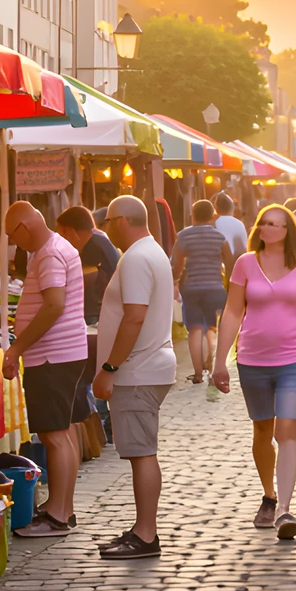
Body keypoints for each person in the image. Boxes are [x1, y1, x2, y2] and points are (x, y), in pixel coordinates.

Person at [211, 204, 296, 540]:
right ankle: (269, 494)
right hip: (252, 359)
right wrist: (219, 361)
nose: (269, 228)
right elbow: (233, 312)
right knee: (262, 430)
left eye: (277, 224)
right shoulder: (245, 263)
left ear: (289, 230)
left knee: (286, 429)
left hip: (295, 358)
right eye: (264, 223)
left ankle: (285, 510)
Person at [90, 196, 176, 560]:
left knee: (141, 453)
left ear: (123, 220)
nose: (106, 228)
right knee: (140, 452)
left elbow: (134, 317)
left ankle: (145, 534)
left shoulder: (138, 257)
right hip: (145, 365)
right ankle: (142, 529)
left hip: (137, 369)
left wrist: (110, 368)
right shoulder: (148, 251)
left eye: (108, 221)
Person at [1, 201, 92, 538]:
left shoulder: (49, 253)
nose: (15, 242)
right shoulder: (57, 247)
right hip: (62, 354)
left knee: (54, 435)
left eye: (13, 235)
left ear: (25, 226)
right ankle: (62, 508)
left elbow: (54, 305)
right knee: (62, 432)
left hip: (53, 357)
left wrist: (17, 347)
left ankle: (57, 513)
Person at [172, 200, 233, 389]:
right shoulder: (219, 237)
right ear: (213, 215)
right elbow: (231, 265)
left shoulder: (183, 236)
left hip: (191, 288)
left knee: (195, 329)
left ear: (193, 214)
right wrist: (230, 287)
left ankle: (198, 374)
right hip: (215, 287)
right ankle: (213, 363)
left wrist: (176, 281)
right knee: (212, 328)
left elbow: (176, 266)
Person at [55, 206, 120, 329]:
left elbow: (82, 283)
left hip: (95, 317)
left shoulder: (92, 247)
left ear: (70, 231)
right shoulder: (98, 239)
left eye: (61, 234)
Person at [212, 194, 249, 259]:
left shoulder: (213, 224)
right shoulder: (239, 224)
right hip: (235, 264)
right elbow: (244, 250)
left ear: (215, 208)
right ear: (232, 208)